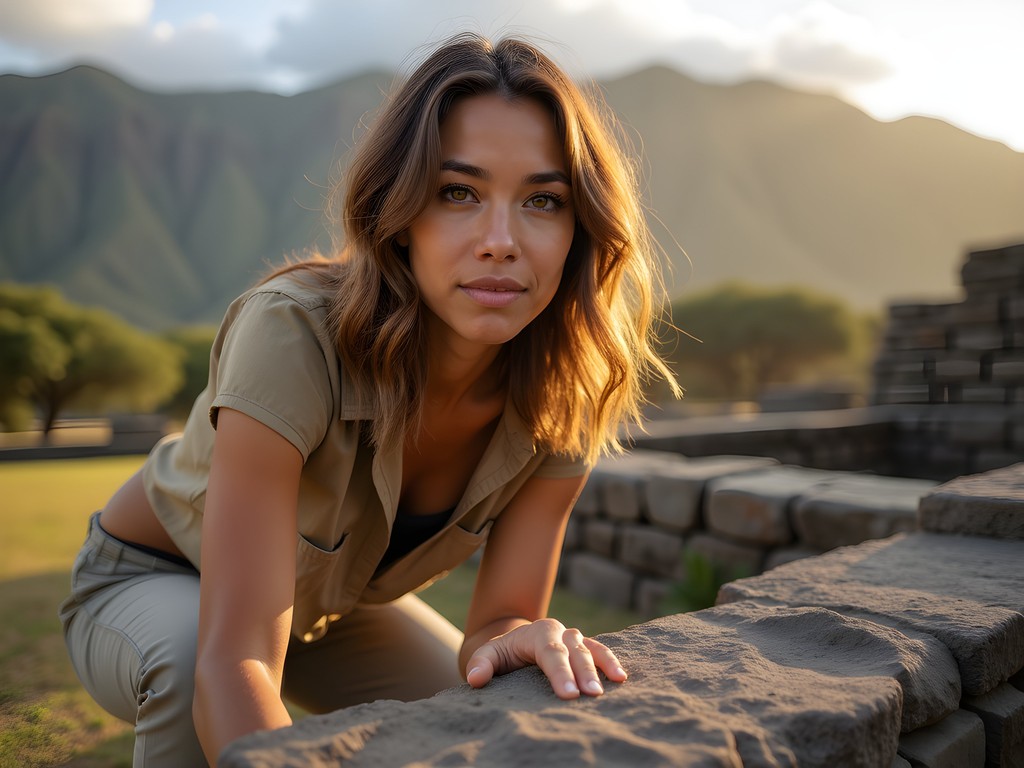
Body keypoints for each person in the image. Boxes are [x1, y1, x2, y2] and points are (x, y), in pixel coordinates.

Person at [59, 31, 680, 766]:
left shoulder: (564, 390)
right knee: (194, 653)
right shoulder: (292, 333)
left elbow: (499, 625)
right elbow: (237, 660)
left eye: (544, 200)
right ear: (401, 210)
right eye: (459, 193)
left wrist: (523, 631)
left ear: (580, 230)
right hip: (151, 581)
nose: (501, 240)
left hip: (324, 616)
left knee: (478, 716)